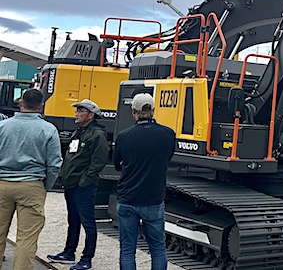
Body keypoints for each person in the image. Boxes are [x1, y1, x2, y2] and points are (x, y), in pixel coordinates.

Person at [0, 89, 62, 270]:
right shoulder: (49, 129)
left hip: (2, 183)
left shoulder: (3, 127)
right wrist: (45, 186)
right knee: (27, 238)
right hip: (31, 185)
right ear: (41, 106)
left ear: (20, 103)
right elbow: (55, 163)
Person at [113, 93, 175, 270]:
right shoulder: (168, 134)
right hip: (153, 199)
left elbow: (117, 165)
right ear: (153, 111)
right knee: (157, 248)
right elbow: (168, 157)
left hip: (128, 198)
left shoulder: (124, 136)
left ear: (134, 111)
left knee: (127, 248)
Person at [48, 99, 109, 270]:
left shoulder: (97, 135)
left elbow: (98, 162)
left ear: (91, 115)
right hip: (71, 184)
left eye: (80, 111)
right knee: (73, 219)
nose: (76, 114)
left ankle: (87, 257)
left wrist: (84, 182)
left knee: (87, 222)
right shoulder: (80, 132)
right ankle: (69, 252)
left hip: (83, 186)